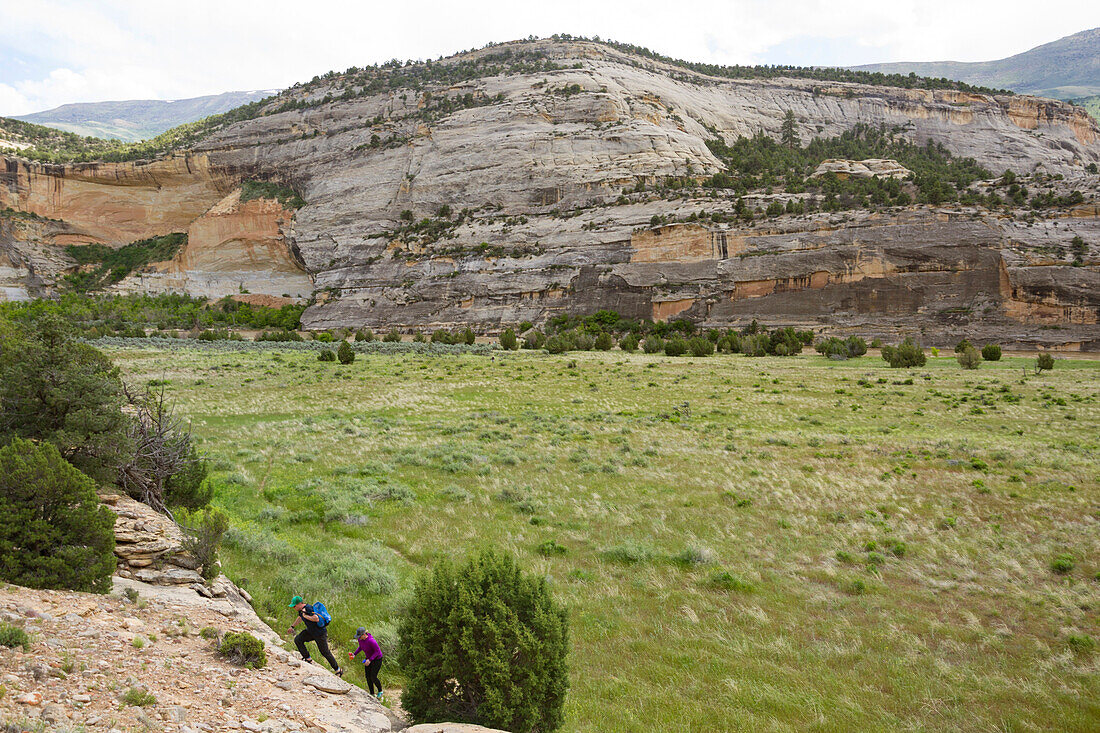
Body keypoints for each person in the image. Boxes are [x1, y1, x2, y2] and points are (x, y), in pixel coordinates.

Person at [286, 595, 343, 676]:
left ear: (299, 603)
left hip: (320, 634)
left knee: (325, 652)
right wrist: (292, 626)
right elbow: (300, 618)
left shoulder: (308, 608)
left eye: (294, 606)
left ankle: (338, 670)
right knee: (298, 640)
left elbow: (316, 618)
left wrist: (306, 616)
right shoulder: (301, 610)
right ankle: (308, 658)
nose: (293, 608)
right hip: (310, 632)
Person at [349, 626, 384, 700]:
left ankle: (380, 691)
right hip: (368, 658)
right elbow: (360, 647)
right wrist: (354, 654)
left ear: (364, 634)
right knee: (368, 676)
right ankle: (372, 693)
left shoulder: (371, 641)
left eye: (360, 636)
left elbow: (377, 652)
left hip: (377, 659)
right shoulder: (360, 640)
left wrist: (370, 660)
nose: (359, 638)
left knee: (373, 676)